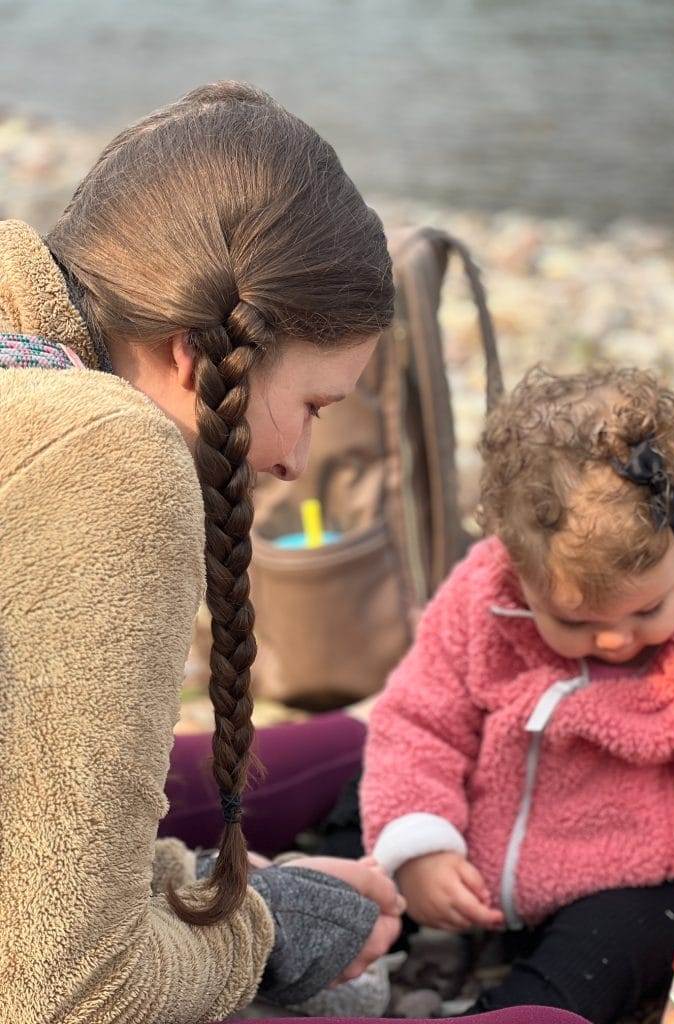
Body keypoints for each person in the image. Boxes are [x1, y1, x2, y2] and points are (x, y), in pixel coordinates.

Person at [0, 82, 405, 1024]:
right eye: (309, 407)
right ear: (196, 354)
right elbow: (63, 995)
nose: (295, 463)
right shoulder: (109, 456)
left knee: (348, 745)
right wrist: (261, 930)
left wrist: (190, 889)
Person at [362, 365, 674, 1024]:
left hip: (647, 883)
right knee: (373, 844)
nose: (615, 642)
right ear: (516, 569)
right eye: (576, 622)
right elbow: (418, 723)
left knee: (610, 944)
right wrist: (421, 844)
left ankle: (514, 1010)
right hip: (483, 866)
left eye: (647, 611)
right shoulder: (481, 601)